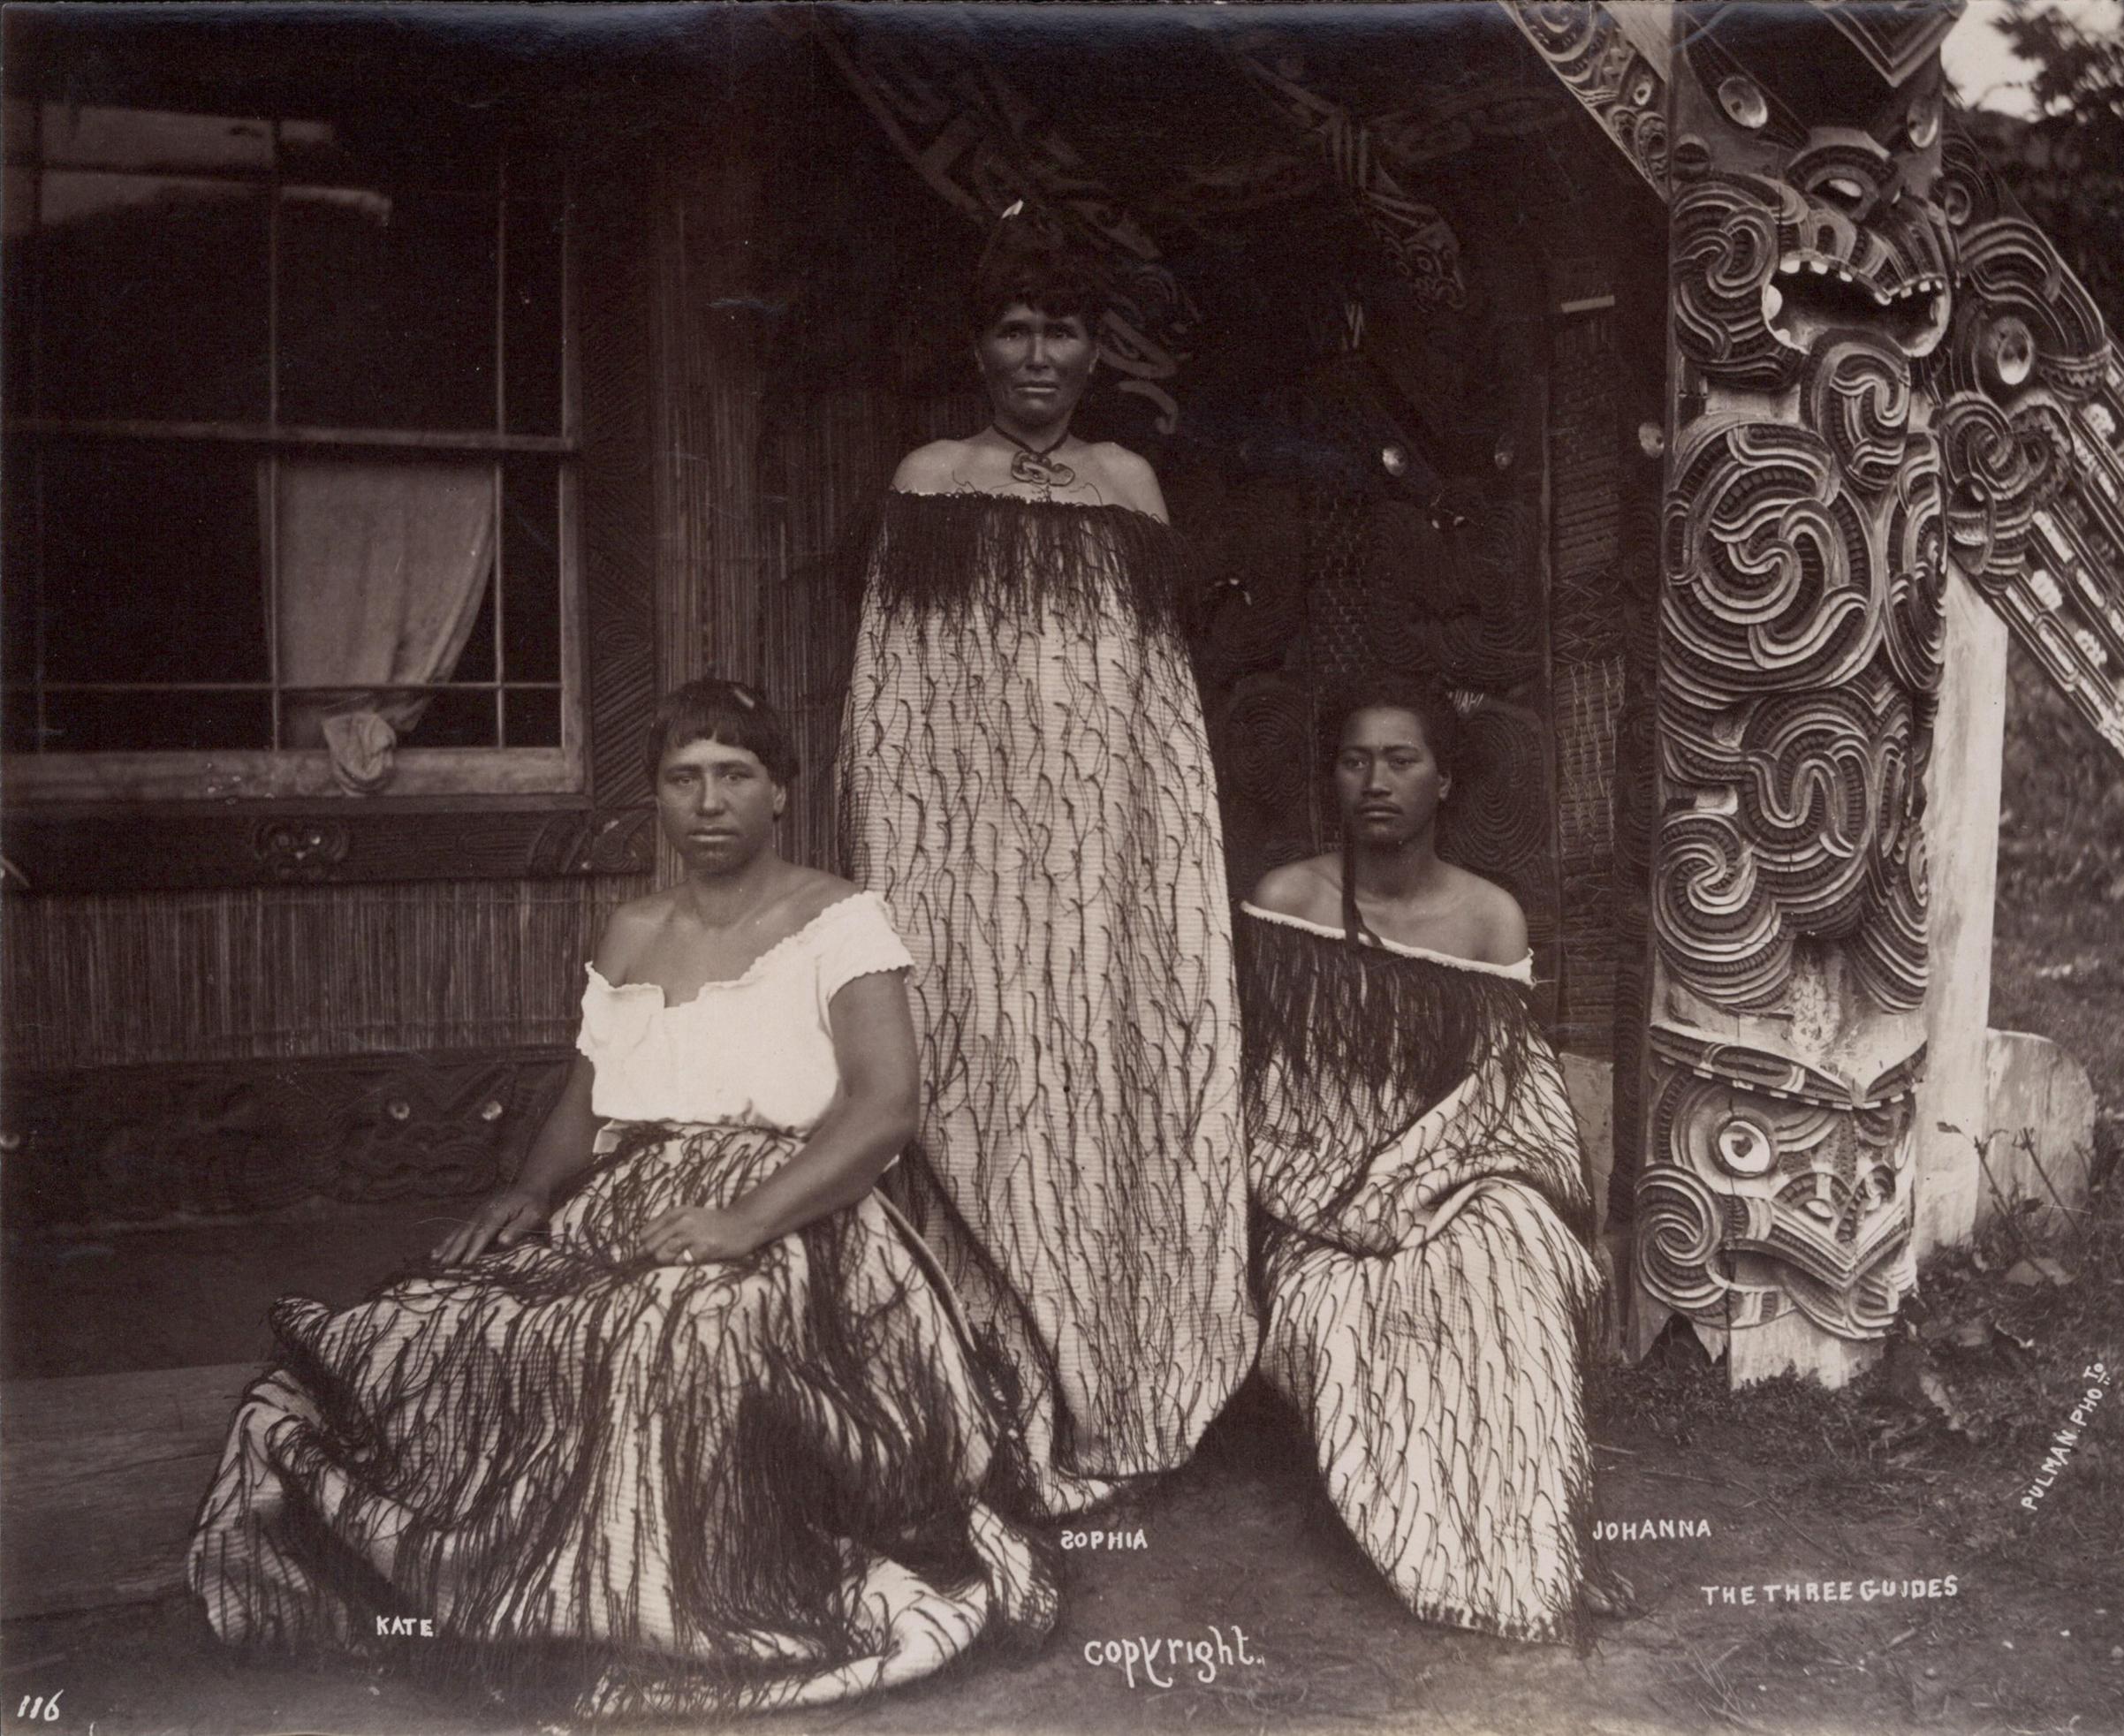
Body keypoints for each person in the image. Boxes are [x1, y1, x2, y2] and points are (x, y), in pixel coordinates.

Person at [188, 679, 1054, 1719]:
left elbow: (883, 1112)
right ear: (656, 799)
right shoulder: (631, 929)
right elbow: (591, 1094)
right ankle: (498, 1596)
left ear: (781, 792)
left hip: (796, 1211)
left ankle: (659, 1611)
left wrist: (743, 1221)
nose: (709, 801)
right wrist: (529, 1189)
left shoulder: (838, 918)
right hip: (624, 1200)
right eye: (683, 780)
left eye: (736, 775)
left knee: (672, 1347)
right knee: (431, 1329)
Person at [838, 220, 1252, 1515]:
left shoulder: (1130, 485)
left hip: (1104, 857)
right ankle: (986, 1388)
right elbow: (891, 700)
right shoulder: (933, 475)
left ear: (1095, 347)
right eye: (1014, 330)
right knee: (975, 1080)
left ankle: (1111, 1382)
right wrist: (908, 869)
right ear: (978, 345)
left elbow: (1160, 701)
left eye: (1061, 330)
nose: (1037, 356)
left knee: (1102, 1083)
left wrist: (1157, 860)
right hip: (967, 858)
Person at [1241, 678, 1601, 1641]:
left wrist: (1425, 1190)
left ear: (1443, 780)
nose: (1375, 781)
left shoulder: (1491, 920)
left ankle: (1526, 1548)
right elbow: (1270, 1095)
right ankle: (1444, 1554)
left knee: (1510, 1254)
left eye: (1401, 760)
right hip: (1316, 1196)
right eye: (1355, 759)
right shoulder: (1289, 903)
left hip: (1453, 1177)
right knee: (1365, 1308)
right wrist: (1354, 1201)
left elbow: (1505, 1097)